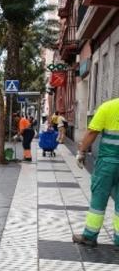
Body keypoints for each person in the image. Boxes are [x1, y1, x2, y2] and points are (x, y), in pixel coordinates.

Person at [73, 98, 119, 247]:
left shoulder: (108, 107)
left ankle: (90, 236)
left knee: (99, 198)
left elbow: (92, 132)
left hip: (107, 163)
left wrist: (81, 152)